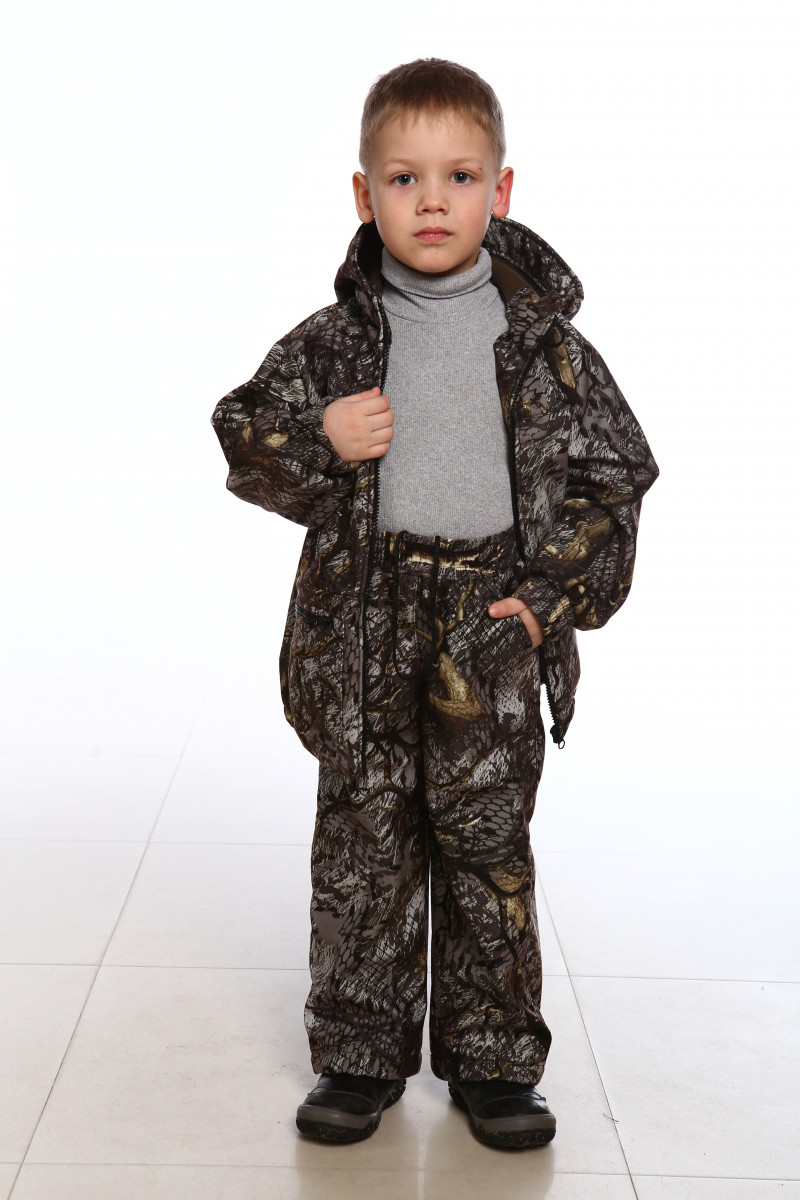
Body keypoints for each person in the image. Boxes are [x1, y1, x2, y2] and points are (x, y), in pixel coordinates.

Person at [211, 57, 658, 1150]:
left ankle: (494, 1060)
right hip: (365, 622)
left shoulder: (546, 347)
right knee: (365, 839)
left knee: (484, 841)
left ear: (499, 190)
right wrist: (320, 439)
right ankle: (358, 1055)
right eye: (403, 179)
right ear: (364, 195)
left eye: (458, 177)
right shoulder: (335, 342)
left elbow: (614, 475)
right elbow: (241, 431)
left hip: (486, 623)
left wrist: (545, 598)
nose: (431, 201)